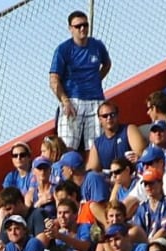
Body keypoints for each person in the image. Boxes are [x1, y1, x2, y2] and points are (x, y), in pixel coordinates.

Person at [48, 13, 111, 153]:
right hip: (72, 101)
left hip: (96, 101)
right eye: (78, 26)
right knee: (67, 147)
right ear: (70, 28)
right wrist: (65, 101)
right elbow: (54, 80)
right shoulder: (63, 49)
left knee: (95, 148)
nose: (82, 28)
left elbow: (107, 64)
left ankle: (92, 174)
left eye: (85, 25)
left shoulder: (97, 46)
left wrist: (96, 80)